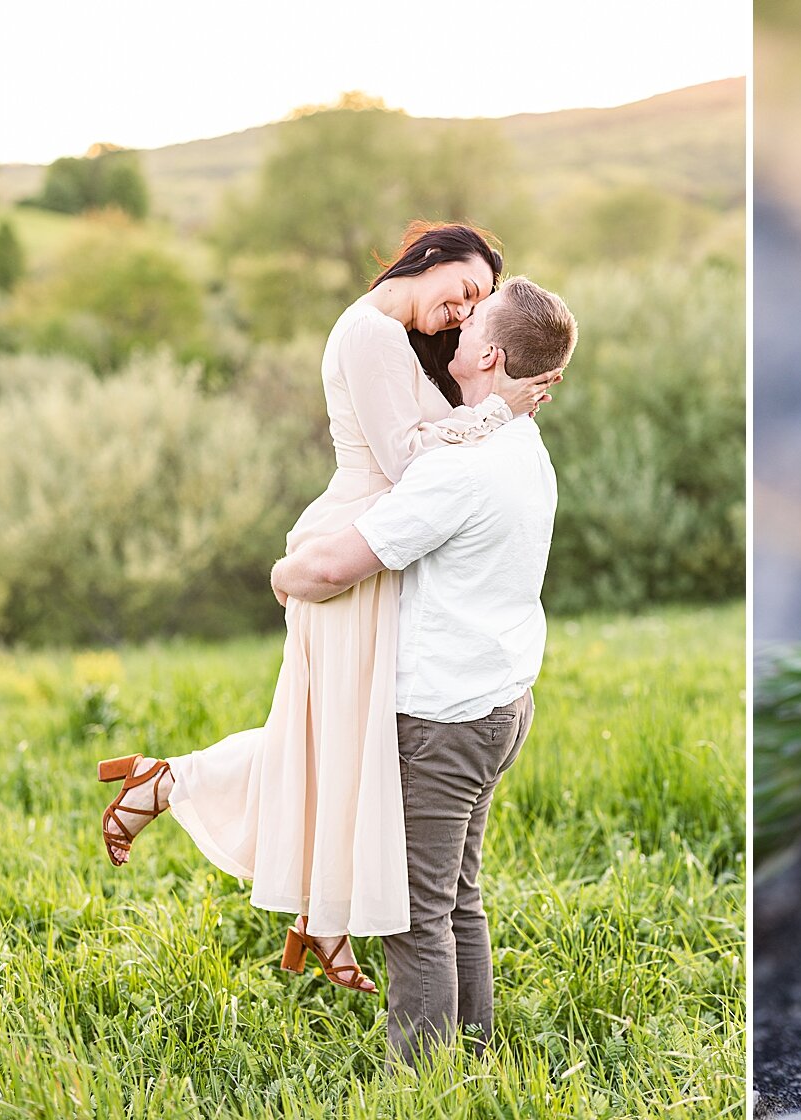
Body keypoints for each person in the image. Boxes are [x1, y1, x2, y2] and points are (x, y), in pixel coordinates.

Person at [95, 225, 559, 994]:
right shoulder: (370, 333)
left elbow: (428, 454)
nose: (462, 312)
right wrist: (497, 414)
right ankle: (222, 830)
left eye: (477, 307)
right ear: (431, 258)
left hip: (387, 546)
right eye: (466, 290)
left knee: (343, 742)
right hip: (354, 548)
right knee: (335, 738)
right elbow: (407, 459)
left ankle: (306, 905)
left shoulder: (403, 339)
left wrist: (496, 411)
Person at [270, 277, 577, 1067]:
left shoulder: (459, 471)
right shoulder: (520, 447)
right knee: (456, 899)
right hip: (503, 701)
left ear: (489, 355)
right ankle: (475, 1059)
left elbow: (338, 564)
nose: (460, 322)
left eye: (472, 318)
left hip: (445, 719)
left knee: (415, 916)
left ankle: (427, 1083)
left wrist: (284, 573)